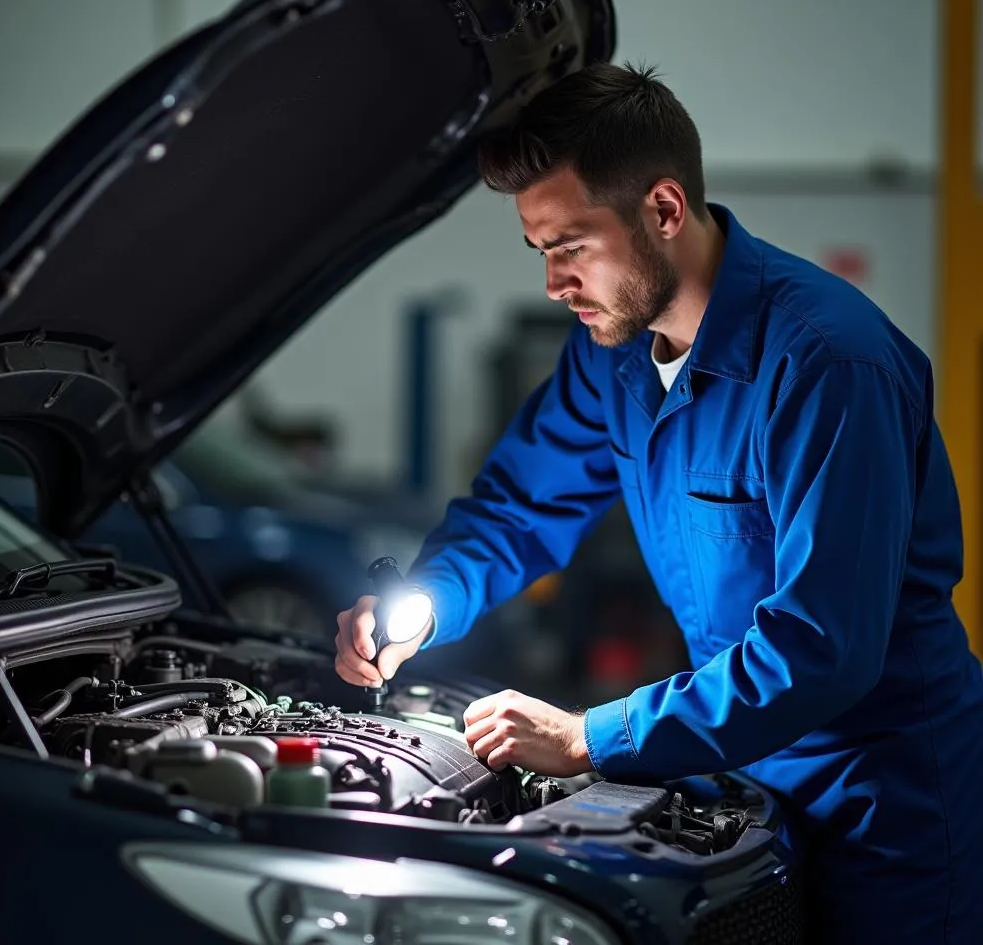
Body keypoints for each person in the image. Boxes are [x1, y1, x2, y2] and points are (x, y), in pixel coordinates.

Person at [334, 62, 983, 943]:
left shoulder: (829, 365)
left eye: (570, 245)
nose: (554, 284)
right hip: (741, 773)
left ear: (664, 211)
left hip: (885, 805)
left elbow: (822, 649)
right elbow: (520, 507)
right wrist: (428, 606)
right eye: (541, 253)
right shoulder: (612, 355)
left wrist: (592, 737)